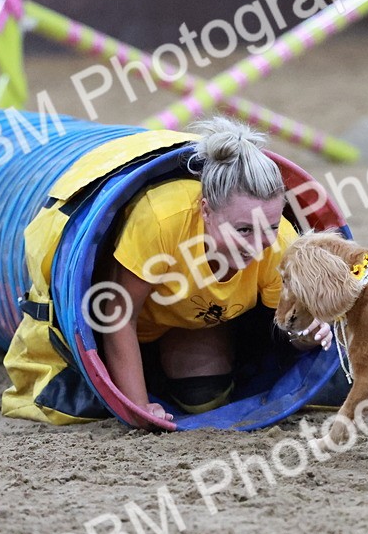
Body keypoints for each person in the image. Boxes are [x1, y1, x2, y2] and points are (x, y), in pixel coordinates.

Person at [99, 117, 332, 421]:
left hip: (195, 326)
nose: (258, 244)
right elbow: (117, 315)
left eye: (271, 226)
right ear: (206, 211)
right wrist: (138, 407)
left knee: (203, 399)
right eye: (243, 229)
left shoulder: (281, 246)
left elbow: (290, 332)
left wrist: (309, 334)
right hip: (126, 328)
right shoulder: (160, 220)